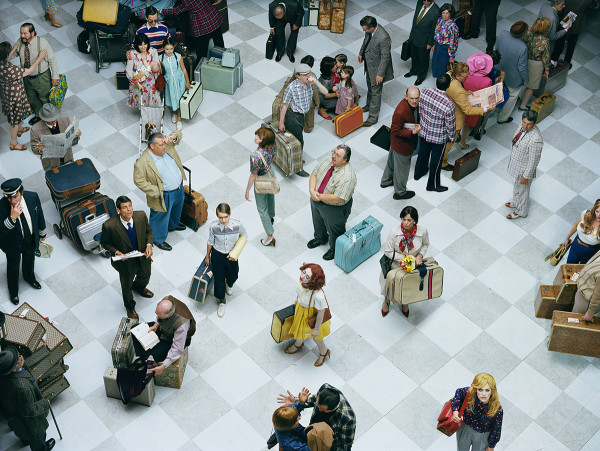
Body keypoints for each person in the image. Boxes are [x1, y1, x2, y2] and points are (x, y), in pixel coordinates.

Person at [100, 196, 154, 320]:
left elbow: (148, 232)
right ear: (118, 210)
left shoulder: (140, 216)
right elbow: (104, 243)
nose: (129, 210)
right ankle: (130, 306)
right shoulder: (109, 225)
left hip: (142, 256)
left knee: (145, 274)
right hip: (125, 262)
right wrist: (116, 252)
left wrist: (149, 244)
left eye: (130, 205)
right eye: (124, 207)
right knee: (126, 286)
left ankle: (139, 287)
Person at [134, 131, 187, 251]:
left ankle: (173, 224)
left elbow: (179, 134)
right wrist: (156, 191)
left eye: (164, 143)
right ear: (152, 146)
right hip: (164, 194)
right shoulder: (143, 162)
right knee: (160, 215)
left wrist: (172, 137)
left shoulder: (166, 145)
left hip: (178, 188)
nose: (165, 147)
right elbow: (138, 180)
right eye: (161, 145)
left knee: (176, 208)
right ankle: (157, 238)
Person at [0, 179, 46, 306]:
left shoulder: (32, 197)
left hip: (29, 238)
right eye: (9, 198)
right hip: (12, 244)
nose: (13, 201)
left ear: (22, 192)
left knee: (29, 259)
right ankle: (13, 292)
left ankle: (29, 277)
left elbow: (39, 215)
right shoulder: (2, 207)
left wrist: (42, 232)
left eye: (15, 197)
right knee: (13, 267)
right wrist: (12, 217)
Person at [308, 145, 357, 261]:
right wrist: (311, 190)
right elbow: (314, 173)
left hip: (335, 208)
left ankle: (335, 249)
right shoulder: (327, 161)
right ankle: (320, 238)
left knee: (335, 229)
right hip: (317, 199)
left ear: (345, 160)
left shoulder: (348, 176)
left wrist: (318, 196)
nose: (333, 156)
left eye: (338, 155)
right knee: (317, 220)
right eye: (333, 152)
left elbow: (338, 198)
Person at [0, 348, 55, 451]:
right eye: (18, 360)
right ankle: (42, 449)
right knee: (38, 436)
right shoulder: (22, 387)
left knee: (23, 432)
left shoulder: (3, 373)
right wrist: (45, 403)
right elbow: (29, 410)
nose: (21, 357)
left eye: (19, 355)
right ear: (13, 369)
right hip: (30, 422)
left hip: (14, 415)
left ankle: (25, 440)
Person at [279, 63, 329, 177]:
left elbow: (325, 92)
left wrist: (315, 82)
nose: (308, 76)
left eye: (309, 73)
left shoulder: (311, 83)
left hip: (302, 115)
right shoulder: (292, 87)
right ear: (298, 76)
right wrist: (281, 122)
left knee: (297, 141)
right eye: (305, 74)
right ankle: (297, 167)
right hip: (293, 116)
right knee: (298, 142)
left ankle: (297, 160)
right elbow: (285, 105)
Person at [442, 62, 493, 171]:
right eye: (465, 77)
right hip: (455, 118)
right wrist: (485, 109)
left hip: (447, 112)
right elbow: (468, 110)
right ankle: (442, 162)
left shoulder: (448, 75)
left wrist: (465, 92)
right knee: (449, 143)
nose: (467, 78)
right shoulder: (459, 91)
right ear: (457, 76)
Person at [380, 206, 430, 318]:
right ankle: (387, 301)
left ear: (415, 221)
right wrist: (404, 260)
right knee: (390, 286)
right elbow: (388, 252)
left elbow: (426, 244)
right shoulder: (394, 232)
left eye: (409, 220)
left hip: (412, 267)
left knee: (407, 286)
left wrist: (420, 256)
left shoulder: (422, 231)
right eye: (403, 219)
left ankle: (405, 302)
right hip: (395, 266)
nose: (405, 223)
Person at [278, 384, 356, 451]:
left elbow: (346, 446)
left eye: (322, 409)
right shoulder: (324, 389)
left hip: (325, 443)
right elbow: (312, 400)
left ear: (334, 408)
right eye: (318, 405)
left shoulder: (348, 419)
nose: (318, 409)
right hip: (310, 435)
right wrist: (297, 401)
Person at [0, 41, 47, 151]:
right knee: (14, 121)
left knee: (16, 115)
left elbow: (6, 59)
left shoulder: (2, 64)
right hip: (14, 97)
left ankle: (19, 129)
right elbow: (29, 71)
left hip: (7, 94)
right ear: (6, 54)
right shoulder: (11, 70)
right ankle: (14, 143)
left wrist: (13, 49)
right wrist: (40, 57)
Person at [133, 296, 196, 376]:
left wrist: (163, 366)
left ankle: (146, 360)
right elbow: (159, 317)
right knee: (135, 329)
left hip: (173, 338)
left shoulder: (181, 324)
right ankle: (143, 358)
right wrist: (155, 325)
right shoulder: (166, 300)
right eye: (157, 314)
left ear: (169, 314)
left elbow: (177, 348)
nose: (157, 317)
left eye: (160, 316)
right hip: (163, 327)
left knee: (154, 355)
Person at [414, 74, 456, 193]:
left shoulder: (425, 92)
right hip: (438, 137)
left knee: (422, 154)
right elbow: (450, 125)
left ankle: (418, 174)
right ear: (448, 86)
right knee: (436, 162)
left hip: (424, 131)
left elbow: (420, 109)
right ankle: (432, 185)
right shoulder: (449, 105)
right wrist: (451, 137)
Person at [284, 264, 332, 366]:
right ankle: (298, 344)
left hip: (311, 316)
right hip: (301, 311)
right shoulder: (302, 284)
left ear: (313, 281)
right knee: (299, 330)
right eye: (304, 272)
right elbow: (299, 295)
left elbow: (321, 312)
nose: (302, 276)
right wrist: (296, 302)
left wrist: (316, 328)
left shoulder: (318, 295)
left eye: (307, 277)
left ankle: (324, 352)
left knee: (316, 337)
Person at [205, 203, 247, 318]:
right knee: (218, 280)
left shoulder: (238, 225)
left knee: (233, 275)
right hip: (217, 255)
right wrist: (207, 256)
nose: (223, 220)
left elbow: (244, 236)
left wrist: (236, 253)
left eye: (225, 217)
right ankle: (222, 301)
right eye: (220, 217)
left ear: (230, 214)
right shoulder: (213, 227)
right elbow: (210, 242)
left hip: (231, 256)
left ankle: (230, 283)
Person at [14, 23, 59, 125]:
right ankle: (39, 115)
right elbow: (16, 52)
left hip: (41, 76)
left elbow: (52, 60)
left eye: (25, 33)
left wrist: (55, 76)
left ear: (32, 33)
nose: (22, 36)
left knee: (44, 97)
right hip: (26, 76)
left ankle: (50, 118)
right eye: (21, 33)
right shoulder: (20, 42)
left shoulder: (42, 43)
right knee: (31, 96)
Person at [380, 87, 420, 200]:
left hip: (395, 143)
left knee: (392, 163)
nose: (414, 101)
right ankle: (400, 192)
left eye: (417, 98)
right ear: (406, 96)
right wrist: (412, 132)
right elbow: (395, 130)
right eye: (412, 98)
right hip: (402, 145)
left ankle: (386, 181)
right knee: (402, 171)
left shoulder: (411, 105)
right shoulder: (401, 112)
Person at [450, 373, 503, 451]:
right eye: (480, 389)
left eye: (487, 390)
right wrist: (455, 412)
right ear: (475, 389)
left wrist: (491, 445)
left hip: (483, 434)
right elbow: (458, 395)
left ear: (492, 390)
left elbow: (496, 428)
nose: (483, 394)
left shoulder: (497, 409)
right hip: (466, 427)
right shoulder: (469, 393)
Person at [506, 110, 543, 220]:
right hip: (517, 165)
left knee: (523, 190)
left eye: (529, 124)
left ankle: (521, 211)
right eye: (524, 122)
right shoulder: (521, 127)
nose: (525, 126)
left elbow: (534, 160)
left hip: (524, 170)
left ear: (534, 123)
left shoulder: (536, 139)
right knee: (517, 186)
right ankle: (516, 202)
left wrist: (526, 176)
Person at [358, 16, 394, 127]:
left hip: (377, 69)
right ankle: (369, 105)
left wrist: (380, 74)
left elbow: (385, 57)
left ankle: (373, 117)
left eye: (365, 29)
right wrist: (361, 53)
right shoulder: (369, 31)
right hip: (369, 65)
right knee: (370, 86)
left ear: (373, 27)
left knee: (376, 92)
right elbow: (366, 42)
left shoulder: (383, 37)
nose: (364, 31)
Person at [245, 127, 277, 247]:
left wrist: (248, 190)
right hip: (270, 172)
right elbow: (273, 158)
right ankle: (271, 216)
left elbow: (253, 175)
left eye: (259, 137)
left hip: (261, 178)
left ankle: (270, 235)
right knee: (270, 197)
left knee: (261, 208)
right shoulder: (273, 146)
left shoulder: (255, 156)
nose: (256, 138)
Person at [457, 53, 494, 149]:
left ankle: (456, 136)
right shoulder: (487, 81)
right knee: (468, 124)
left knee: (459, 119)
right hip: (475, 105)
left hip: (462, 100)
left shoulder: (466, 75)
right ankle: (462, 142)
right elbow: (486, 96)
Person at [495, 21, 529, 124]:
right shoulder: (523, 47)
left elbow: (496, 49)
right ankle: (502, 118)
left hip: (499, 69)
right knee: (513, 95)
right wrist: (526, 79)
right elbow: (522, 67)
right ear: (523, 33)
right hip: (513, 77)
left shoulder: (503, 34)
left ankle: (492, 110)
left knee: (496, 90)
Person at [30, 103, 80, 171]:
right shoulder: (35, 129)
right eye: (50, 121)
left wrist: (76, 135)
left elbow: (72, 141)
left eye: (55, 118)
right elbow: (34, 149)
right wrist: (40, 149)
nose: (53, 122)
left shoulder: (65, 119)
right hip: (51, 163)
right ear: (44, 119)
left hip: (67, 158)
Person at [519, 18, 551, 111]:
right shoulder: (545, 41)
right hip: (536, 64)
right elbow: (546, 57)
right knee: (531, 86)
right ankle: (523, 105)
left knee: (519, 81)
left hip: (523, 58)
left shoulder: (527, 32)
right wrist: (547, 70)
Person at [406, 0, 440, 86]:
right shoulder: (419, 3)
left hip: (425, 40)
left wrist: (430, 43)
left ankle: (421, 76)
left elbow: (433, 30)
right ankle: (413, 70)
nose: (425, 2)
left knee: (423, 59)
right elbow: (415, 21)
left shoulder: (436, 11)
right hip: (414, 36)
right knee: (414, 56)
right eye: (424, 0)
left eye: (427, 1)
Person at [161, 38, 191, 130]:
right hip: (169, 82)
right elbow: (160, 73)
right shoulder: (160, 58)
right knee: (172, 98)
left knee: (179, 99)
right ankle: (174, 112)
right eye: (167, 49)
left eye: (171, 49)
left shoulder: (178, 56)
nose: (169, 51)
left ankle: (179, 118)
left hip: (179, 81)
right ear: (163, 48)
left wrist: (187, 81)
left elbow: (184, 69)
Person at [551, 0, 592, 65]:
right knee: (571, 44)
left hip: (566, 15)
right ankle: (566, 62)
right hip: (577, 21)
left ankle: (553, 59)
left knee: (560, 39)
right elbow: (588, 5)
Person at [126, 33, 161, 108]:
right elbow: (128, 70)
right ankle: (143, 113)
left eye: (145, 44)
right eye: (140, 45)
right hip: (137, 79)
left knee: (152, 101)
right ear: (137, 45)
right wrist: (135, 78)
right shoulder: (132, 53)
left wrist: (143, 73)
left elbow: (156, 67)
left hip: (151, 79)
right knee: (141, 102)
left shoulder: (153, 51)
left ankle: (151, 114)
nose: (143, 47)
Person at [431, 4, 459, 78]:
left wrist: (452, 56)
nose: (445, 15)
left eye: (447, 13)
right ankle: (436, 76)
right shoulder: (439, 20)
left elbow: (454, 42)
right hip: (437, 45)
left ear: (450, 14)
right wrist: (434, 44)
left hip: (445, 49)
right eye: (443, 13)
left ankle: (441, 82)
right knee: (435, 63)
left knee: (442, 66)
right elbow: (436, 33)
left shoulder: (453, 26)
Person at [571, 249, 600, 321]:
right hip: (582, 291)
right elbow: (593, 261)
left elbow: (598, 295)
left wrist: (590, 312)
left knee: (576, 320)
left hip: (586, 300)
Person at [317, 56, 339, 120]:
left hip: (329, 91)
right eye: (334, 65)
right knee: (339, 101)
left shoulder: (330, 74)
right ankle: (322, 110)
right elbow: (325, 95)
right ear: (329, 68)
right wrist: (335, 95)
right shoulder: (326, 81)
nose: (336, 66)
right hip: (323, 97)